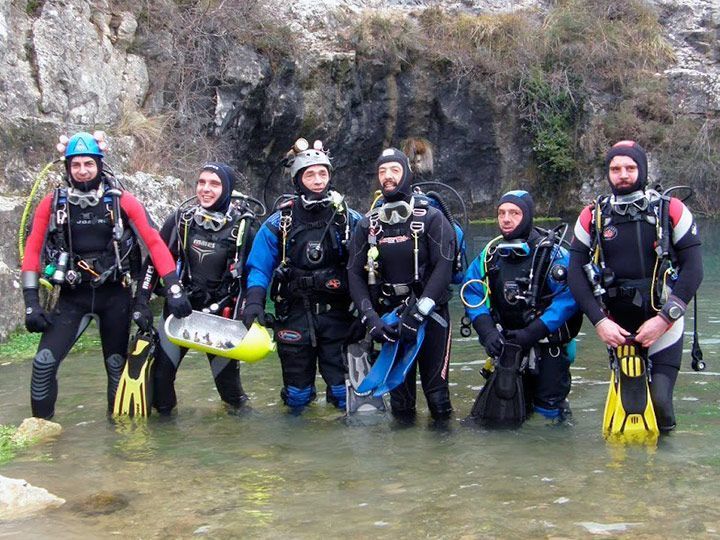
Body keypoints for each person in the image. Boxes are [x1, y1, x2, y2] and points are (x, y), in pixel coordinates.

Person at [20, 131, 191, 419]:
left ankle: (119, 443)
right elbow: (33, 250)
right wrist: (31, 302)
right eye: (76, 165)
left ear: (100, 165)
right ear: (67, 168)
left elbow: (154, 243)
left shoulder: (122, 201)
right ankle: (42, 432)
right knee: (43, 363)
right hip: (73, 298)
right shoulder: (52, 203)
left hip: (115, 297)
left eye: (89, 164)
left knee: (115, 367)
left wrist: (173, 287)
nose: (83, 171)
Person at [568, 140, 703, 433]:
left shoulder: (672, 211)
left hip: (663, 321)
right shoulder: (592, 216)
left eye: (630, 168)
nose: (623, 174)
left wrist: (665, 319)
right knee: (629, 409)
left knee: (661, 404)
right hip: (615, 326)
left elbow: (694, 270)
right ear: (608, 173)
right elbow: (575, 275)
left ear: (642, 169)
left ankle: (664, 471)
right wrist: (600, 322)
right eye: (615, 169)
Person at [242, 138, 361, 411]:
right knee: (297, 395)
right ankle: (295, 448)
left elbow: (368, 267)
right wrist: (254, 303)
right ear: (297, 180)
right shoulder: (279, 223)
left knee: (344, 394)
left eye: (323, 173)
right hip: (294, 315)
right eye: (310, 174)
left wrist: (367, 314)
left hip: (338, 316)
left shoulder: (350, 220)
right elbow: (259, 267)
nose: (318, 180)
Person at [133, 162, 259, 414]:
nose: (205, 189)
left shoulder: (244, 227)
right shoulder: (182, 220)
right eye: (201, 182)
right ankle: (164, 444)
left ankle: (241, 444)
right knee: (160, 385)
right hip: (181, 309)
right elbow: (155, 261)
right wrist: (142, 301)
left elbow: (254, 273)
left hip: (220, 316)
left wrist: (249, 310)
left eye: (214, 184)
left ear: (227, 189)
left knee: (231, 393)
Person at [347, 147, 456, 423]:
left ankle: (444, 459)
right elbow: (355, 274)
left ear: (406, 174)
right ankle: (403, 461)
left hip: (431, 316)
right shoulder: (367, 225)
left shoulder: (431, 217)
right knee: (399, 396)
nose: (388, 177)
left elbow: (444, 266)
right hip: (390, 317)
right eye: (382, 171)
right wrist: (371, 319)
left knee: (436, 393)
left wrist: (420, 312)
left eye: (394, 170)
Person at [462, 190, 580, 424]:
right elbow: (472, 290)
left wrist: (533, 331)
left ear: (527, 216)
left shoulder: (554, 254)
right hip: (505, 345)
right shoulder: (490, 255)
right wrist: (487, 331)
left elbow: (569, 298)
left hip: (548, 346)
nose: (506, 219)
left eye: (514, 213)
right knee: (504, 411)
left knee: (549, 412)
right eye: (501, 213)